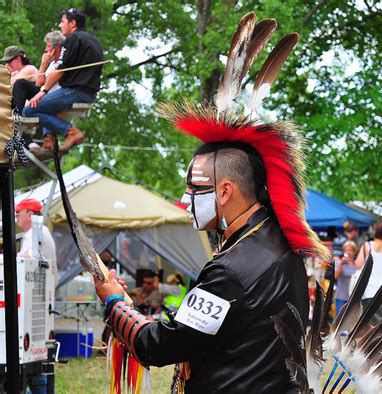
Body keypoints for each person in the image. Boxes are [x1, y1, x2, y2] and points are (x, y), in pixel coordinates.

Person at [93, 14, 329, 390]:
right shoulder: (277, 246)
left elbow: (159, 346)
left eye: (195, 188)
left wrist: (114, 304)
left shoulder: (233, 269)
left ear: (225, 191)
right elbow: (211, 332)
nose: (186, 200)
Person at [23, 8, 104, 151]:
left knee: (30, 110)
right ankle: (49, 140)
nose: (60, 26)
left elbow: (59, 70)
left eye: (62, 21)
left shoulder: (72, 39)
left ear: (72, 23)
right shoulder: (93, 41)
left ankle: (71, 132)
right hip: (89, 93)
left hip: (75, 91)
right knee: (47, 105)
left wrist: (43, 92)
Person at [355, 221, 382, 324]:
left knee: (371, 330)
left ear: (375, 232)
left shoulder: (368, 246)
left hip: (371, 292)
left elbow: (358, 264)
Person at [11, 31, 66, 115]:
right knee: (20, 83)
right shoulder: (52, 63)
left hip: (52, 95)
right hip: (42, 92)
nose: (46, 49)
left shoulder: (61, 63)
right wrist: (43, 64)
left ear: (57, 47)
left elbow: (45, 83)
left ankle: (16, 116)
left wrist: (44, 64)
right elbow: (39, 83)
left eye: (48, 46)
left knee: (20, 83)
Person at [15, 198, 57, 285]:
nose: (16, 217)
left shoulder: (37, 232)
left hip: (39, 288)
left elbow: (29, 259)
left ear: (30, 215)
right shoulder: (36, 232)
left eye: (18, 213)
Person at [334, 241, 357, 315]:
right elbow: (336, 276)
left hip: (354, 298)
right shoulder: (340, 262)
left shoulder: (357, 264)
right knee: (339, 321)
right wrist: (341, 264)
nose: (348, 252)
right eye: (346, 250)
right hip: (341, 296)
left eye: (350, 250)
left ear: (354, 252)